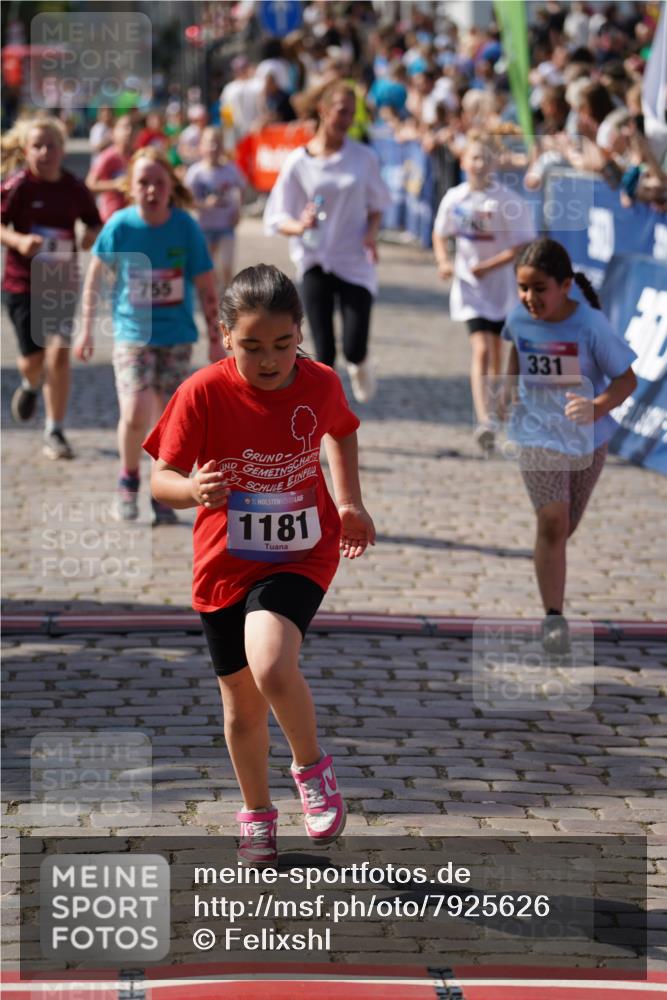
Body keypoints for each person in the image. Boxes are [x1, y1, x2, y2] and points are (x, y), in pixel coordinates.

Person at [143, 264, 376, 864]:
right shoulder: (202, 392)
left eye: (282, 344)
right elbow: (159, 479)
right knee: (241, 709)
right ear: (225, 337)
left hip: (302, 552)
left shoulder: (320, 383)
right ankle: (256, 811)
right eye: (252, 347)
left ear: (300, 333)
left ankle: (312, 769)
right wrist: (192, 490)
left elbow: (343, 433)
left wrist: (348, 503)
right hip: (224, 563)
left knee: (272, 664)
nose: (269, 360)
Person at [501, 238, 637, 653]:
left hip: (587, 441)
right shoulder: (519, 319)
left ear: (564, 285)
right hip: (536, 435)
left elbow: (627, 380)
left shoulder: (591, 326)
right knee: (553, 524)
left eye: (539, 288)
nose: (529, 298)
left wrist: (596, 407)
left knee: (565, 528)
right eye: (523, 288)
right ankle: (553, 619)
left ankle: (550, 578)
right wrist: (507, 391)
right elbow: (515, 353)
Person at [73, 147, 221, 524]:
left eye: (159, 182)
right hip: (132, 332)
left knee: (167, 421)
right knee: (136, 409)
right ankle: (128, 477)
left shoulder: (185, 227)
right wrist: (87, 328)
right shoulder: (120, 226)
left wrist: (216, 335)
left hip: (177, 336)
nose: (152, 190)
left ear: (171, 186)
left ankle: (161, 487)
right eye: (143, 182)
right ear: (129, 188)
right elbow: (94, 276)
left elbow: (206, 284)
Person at [263, 82, 391, 404]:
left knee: (354, 345)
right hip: (314, 259)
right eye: (341, 112)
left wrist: (371, 233)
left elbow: (378, 205)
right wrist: (300, 225)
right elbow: (278, 217)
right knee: (324, 352)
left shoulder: (363, 157)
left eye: (352, 113)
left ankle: (360, 364)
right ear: (323, 110)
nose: (347, 119)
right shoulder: (298, 162)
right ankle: (324, 413)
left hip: (354, 260)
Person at [0, 114, 101, 458]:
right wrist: (16, 239)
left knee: (58, 354)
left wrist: (90, 236)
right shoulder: (17, 186)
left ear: (63, 149)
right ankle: (30, 383)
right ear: (26, 151)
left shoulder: (74, 188)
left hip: (59, 284)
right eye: (37, 146)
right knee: (33, 359)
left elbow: (94, 223)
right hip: (21, 283)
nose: (45, 152)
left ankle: (54, 430)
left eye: (51, 146)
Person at [432, 132, 536, 453]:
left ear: (493, 163)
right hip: (469, 287)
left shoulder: (507, 201)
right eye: (473, 158)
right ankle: (485, 419)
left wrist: (491, 265)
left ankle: (498, 408)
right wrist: (444, 261)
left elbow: (522, 245)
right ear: (463, 162)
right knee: (480, 349)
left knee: (497, 352)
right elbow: (440, 234)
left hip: (500, 287)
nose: (478, 164)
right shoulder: (455, 198)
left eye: (484, 158)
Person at [185, 127, 246, 294]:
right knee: (208, 268)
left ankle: (228, 299)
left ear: (221, 147)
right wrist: (204, 204)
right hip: (204, 227)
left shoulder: (230, 170)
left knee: (227, 265)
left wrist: (238, 211)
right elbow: (186, 200)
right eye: (209, 143)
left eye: (216, 143)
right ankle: (213, 295)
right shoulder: (195, 173)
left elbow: (242, 188)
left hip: (226, 225)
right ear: (201, 147)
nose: (213, 147)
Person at [85, 114, 134, 222]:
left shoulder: (137, 156)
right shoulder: (107, 157)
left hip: (132, 216)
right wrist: (115, 184)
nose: (129, 131)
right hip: (111, 217)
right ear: (113, 133)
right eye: (124, 127)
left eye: (133, 127)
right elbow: (90, 184)